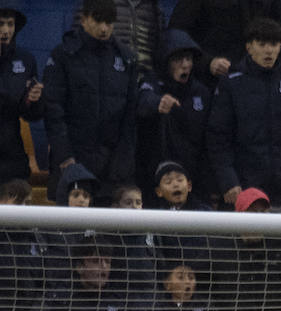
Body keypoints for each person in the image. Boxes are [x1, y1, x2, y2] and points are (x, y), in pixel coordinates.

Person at [204, 17, 281, 210]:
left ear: (280, 46)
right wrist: (228, 180)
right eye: (262, 44)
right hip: (242, 186)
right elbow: (218, 138)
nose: (268, 50)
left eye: (274, 44)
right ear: (249, 47)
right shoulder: (231, 84)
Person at [43, 0, 139, 204]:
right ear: (84, 19)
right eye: (98, 20)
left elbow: (130, 115)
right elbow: (53, 110)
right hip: (72, 160)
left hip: (112, 164)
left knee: (110, 222)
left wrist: (123, 160)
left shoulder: (127, 59)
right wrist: (64, 155)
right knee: (68, 222)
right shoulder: (63, 55)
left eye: (109, 22)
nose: (104, 28)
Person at [135, 30, 212, 199]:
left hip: (193, 179)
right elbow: (143, 101)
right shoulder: (151, 83)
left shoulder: (202, 92)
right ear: (166, 61)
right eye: (178, 60)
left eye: (188, 59)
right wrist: (158, 103)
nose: (185, 65)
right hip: (154, 177)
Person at [0, 6, 45, 186]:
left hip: (12, 155)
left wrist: (33, 100)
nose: (5, 30)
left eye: (10, 24)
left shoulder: (25, 60)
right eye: (0, 24)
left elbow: (31, 115)